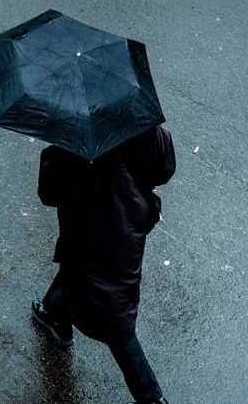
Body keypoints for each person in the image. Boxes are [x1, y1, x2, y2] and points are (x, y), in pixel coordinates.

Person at [30, 124, 176, 404]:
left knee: (113, 313)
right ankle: (55, 311)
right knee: (85, 276)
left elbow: (50, 192)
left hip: (92, 232)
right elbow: (164, 167)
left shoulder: (75, 136)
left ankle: (150, 397)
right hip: (129, 225)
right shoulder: (143, 123)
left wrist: (55, 152)